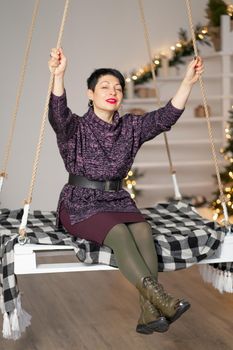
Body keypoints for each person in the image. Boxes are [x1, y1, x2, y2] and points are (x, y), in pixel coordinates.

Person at [48, 48, 204, 335]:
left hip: (118, 199)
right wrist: (58, 76)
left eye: (118, 88)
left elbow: (165, 117)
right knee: (119, 233)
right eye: (105, 87)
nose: (113, 91)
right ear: (90, 94)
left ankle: (148, 313)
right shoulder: (75, 128)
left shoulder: (131, 127)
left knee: (143, 231)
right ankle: (160, 300)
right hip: (80, 203)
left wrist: (187, 83)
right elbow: (57, 114)